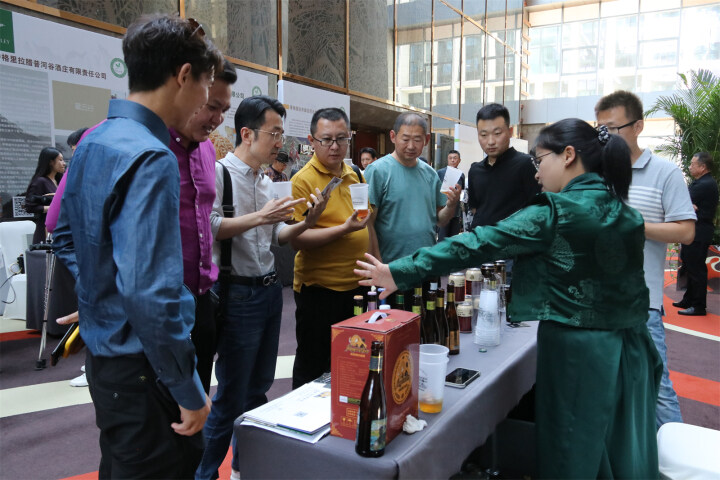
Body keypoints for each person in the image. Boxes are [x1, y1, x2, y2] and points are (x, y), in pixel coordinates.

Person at [355, 118, 662, 479]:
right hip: (633, 348)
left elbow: (477, 243)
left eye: (539, 160)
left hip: (579, 352)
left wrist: (399, 270)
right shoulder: (627, 214)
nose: (537, 173)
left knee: (573, 449)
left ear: (568, 155)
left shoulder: (555, 212)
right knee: (623, 446)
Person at [52, 15, 223, 479]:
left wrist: (99, 290)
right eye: (206, 84)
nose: (205, 100)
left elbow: (63, 234)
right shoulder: (152, 156)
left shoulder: (95, 141)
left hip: (107, 362)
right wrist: (188, 390)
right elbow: (150, 293)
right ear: (184, 75)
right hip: (146, 368)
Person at [197, 95, 327, 480]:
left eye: (282, 135)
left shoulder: (267, 181)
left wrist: (308, 221)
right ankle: (204, 473)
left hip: (269, 292)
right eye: (275, 134)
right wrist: (260, 216)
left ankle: (243, 469)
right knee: (232, 394)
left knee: (258, 390)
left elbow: (277, 236)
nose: (280, 143)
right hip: (237, 293)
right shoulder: (219, 174)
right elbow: (210, 227)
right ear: (247, 134)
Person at [595, 90, 695, 428]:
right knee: (606, 387)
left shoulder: (665, 173)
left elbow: (686, 231)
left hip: (641, 302)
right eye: (600, 130)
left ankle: (674, 456)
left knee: (657, 388)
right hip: (594, 299)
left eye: (612, 128)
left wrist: (633, 225)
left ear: (638, 126)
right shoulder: (596, 174)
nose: (605, 137)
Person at [289, 107, 370, 389]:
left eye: (341, 138)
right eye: (326, 140)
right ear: (312, 141)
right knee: (313, 365)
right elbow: (297, 239)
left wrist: (376, 268)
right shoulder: (302, 181)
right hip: (319, 290)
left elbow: (367, 225)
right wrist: (344, 229)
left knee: (353, 359)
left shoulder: (355, 174)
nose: (334, 146)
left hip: (356, 286)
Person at [169, 58, 237, 393]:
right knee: (162, 411)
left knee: (199, 403)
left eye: (224, 110)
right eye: (212, 106)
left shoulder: (208, 150)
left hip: (202, 300)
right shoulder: (144, 145)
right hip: (159, 306)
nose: (218, 119)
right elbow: (61, 228)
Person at [365, 112, 460, 264]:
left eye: (417, 140)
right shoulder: (377, 171)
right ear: (393, 136)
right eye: (405, 139)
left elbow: (440, 221)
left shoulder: (430, 174)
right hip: (390, 265)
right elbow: (368, 224)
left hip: (426, 263)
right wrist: (377, 263)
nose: (411, 146)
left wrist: (451, 205)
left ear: (426, 140)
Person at [468, 103, 539, 229]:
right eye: (484, 135)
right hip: (479, 238)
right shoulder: (475, 170)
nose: (491, 141)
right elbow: (475, 209)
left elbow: (537, 209)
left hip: (512, 239)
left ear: (510, 132)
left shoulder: (526, 164)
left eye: (497, 133)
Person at [675, 152, 719, 316]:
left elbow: (681, 201)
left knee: (696, 269)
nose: (690, 167)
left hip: (699, 231)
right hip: (694, 230)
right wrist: (687, 205)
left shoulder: (705, 184)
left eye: (693, 164)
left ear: (702, 167)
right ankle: (689, 299)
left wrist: (686, 204)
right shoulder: (701, 182)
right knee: (690, 265)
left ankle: (699, 306)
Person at [24, 147, 65, 244]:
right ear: (51, 162)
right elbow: (29, 206)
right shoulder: (40, 181)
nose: (64, 163)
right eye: (60, 160)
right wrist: (53, 208)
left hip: (60, 229)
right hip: (45, 231)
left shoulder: (59, 181)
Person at [436, 149, 465, 240]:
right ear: (447, 160)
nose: (452, 160)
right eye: (450, 158)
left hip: (456, 212)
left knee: (454, 239)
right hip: (443, 211)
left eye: (455, 158)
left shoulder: (461, 174)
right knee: (442, 239)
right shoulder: (440, 173)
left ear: (459, 160)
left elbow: (462, 191)